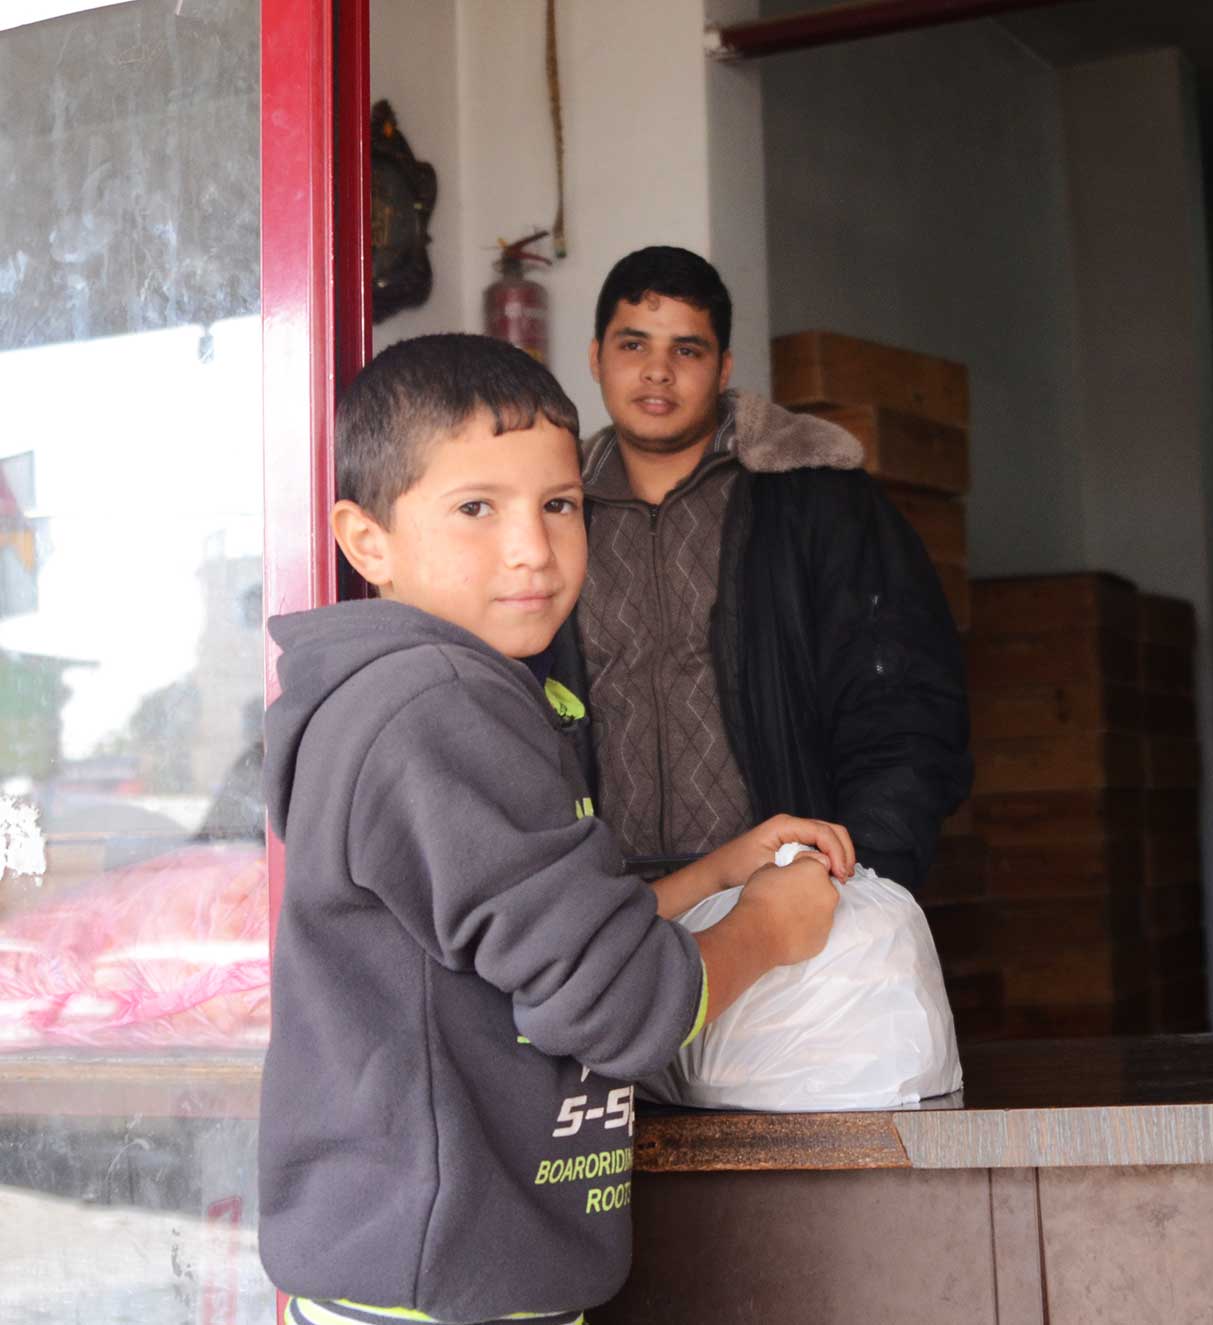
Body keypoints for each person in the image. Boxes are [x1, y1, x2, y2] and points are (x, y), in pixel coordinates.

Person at [258, 334, 858, 1325]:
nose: (532, 546)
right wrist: (768, 925)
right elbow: (615, 1002)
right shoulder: (436, 704)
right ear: (368, 542)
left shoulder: (441, 694)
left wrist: (717, 866)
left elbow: (537, 942)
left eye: (558, 504)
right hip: (447, 1281)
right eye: (475, 509)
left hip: (421, 1266)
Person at [550, 246, 971, 887]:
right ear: (595, 358)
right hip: (610, 908)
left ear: (723, 369)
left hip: (784, 891)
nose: (657, 372)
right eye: (633, 346)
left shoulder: (810, 499)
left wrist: (860, 881)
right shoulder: (551, 516)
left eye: (686, 350)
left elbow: (904, 704)